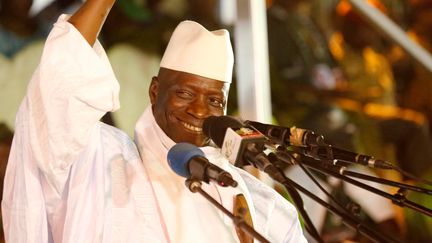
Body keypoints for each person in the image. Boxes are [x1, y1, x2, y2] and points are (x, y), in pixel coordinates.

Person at [1, 0, 306, 242]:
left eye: (214, 101)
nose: (199, 111)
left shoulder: (259, 205)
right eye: (185, 93)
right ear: (154, 91)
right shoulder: (103, 161)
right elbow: (58, 91)